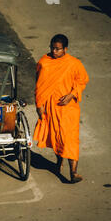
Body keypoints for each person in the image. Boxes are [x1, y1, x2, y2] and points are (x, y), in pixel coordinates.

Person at [33, 34, 89, 183]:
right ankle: (59, 162)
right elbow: (39, 85)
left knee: (70, 138)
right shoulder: (44, 62)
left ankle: (73, 172)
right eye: (52, 48)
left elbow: (82, 80)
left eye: (58, 49)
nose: (55, 51)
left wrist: (72, 94)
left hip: (68, 108)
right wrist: (39, 105)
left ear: (65, 49)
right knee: (56, 137)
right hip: (51, 107)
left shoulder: (73, 63)